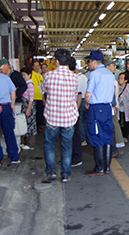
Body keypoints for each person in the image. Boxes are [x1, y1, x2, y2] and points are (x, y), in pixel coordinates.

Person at [41, 49, 79, 183]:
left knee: (49, 145)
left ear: (56, 61)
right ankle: (65, 174)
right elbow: (74, 94)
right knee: (67, 147)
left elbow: (43, 90)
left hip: (52, 117)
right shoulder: (74, 77)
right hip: (68, 118)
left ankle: (51, 171)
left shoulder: (48, 76)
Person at [85, 50, 116, 176]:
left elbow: (88, 93)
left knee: (95, 135)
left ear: (93, 62)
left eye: (89, 62)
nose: (88, 65)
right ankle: (107, 167)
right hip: (108, 108)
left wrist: (87, 103)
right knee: (107, 135)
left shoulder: (94, 74)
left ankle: (99, 168)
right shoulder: (110, 74)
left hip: (96, 108)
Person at [0, 58, 28, 150]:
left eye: (0, 68)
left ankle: (16, 147)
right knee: (3, 126)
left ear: (6, 66)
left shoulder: (16, 75)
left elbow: (24, 86)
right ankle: (4, 148)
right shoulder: (0, 76)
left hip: (16, 104)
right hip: (3, 103)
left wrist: (16, 95)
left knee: (15, 125)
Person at [105, 59, 126, 157]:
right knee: (113, 124)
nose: (115, 68)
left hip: (112, 105)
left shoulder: (110, 78)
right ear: (107, 66)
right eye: (113, 65)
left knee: (113, 124)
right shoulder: (110, 79)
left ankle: (115, 145)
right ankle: (115, 145)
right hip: (112, 105)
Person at [19, 67, 37, 150]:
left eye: (24, 75)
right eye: (22, 75)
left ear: (29, 75)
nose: (23, 77)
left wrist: (28, 109)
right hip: (26, 106)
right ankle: (26, 142)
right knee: (25, 124)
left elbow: (31, 99)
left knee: (31, 125)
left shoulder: (30, 85)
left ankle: (31, 144)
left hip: (29, 106)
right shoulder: (25, 84)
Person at [31, 60, 46, 129]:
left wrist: (43, 99)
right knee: (33, 114)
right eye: (35, 66)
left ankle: (37, 127)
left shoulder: (41, 76)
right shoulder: (31, 74)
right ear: (33, 67)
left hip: (40, 98)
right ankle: (34, 128)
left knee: (39, 114)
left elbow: (42, 89)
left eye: (38, 66)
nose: (36, 67)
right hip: (33, 98)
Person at [76, 68, 89, 146]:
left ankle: (82, 139)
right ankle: (87, 137)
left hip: (79, 100)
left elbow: (78, 93)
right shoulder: (85, 77)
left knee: (80, 121)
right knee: (85, 120)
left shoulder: (76, 78)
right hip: (86, 100)